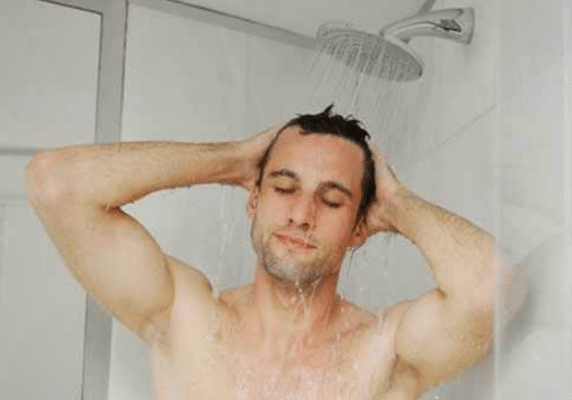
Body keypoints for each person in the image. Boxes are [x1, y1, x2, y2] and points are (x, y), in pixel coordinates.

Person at [26, 105, 504, 399]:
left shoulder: (383, 353)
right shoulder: (186, 319)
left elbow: (489, 290)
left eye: (331, 200)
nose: (301, 214)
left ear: (361, 227)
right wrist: (232, 160)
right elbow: (56, 184)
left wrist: (397, 203)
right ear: (253, 199)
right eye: (283, 188)